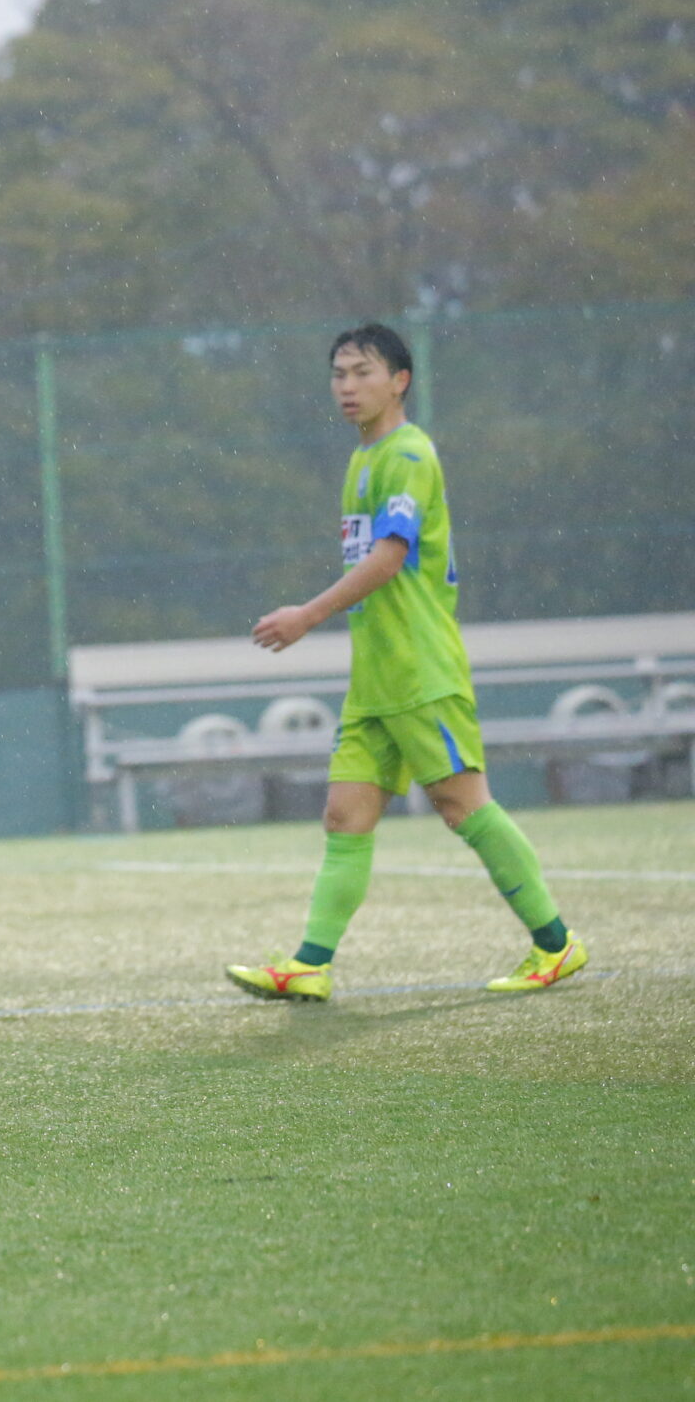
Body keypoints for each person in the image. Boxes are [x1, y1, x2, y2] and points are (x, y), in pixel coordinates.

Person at [229, 323, 588, 1002]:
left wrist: (306, 615)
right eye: (337, 373)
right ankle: (311, 963)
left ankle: (556, 943)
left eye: (362, 371)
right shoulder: (362, 460)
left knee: (462, 806)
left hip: (420, 668)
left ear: (400, 380)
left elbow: (390, 559)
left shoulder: (409, 453)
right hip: (375, 677)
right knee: (345, 814)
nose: (346, 385)